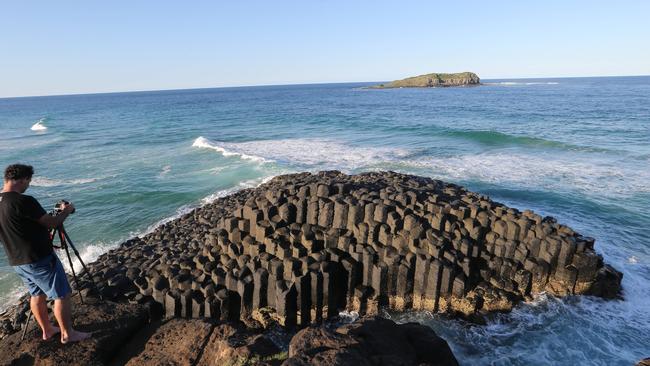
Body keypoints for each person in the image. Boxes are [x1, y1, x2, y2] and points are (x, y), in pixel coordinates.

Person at [0, 164, 90, 344]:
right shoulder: (23, 201)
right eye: (28, 181)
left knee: (37, 294)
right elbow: (52, 223)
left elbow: (18, 225)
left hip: (17, 260)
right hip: (39, 257)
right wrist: (67, 210)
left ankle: (47, 330)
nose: (28, 185)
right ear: (23, 179)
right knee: (62, 294)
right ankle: (67, 334)